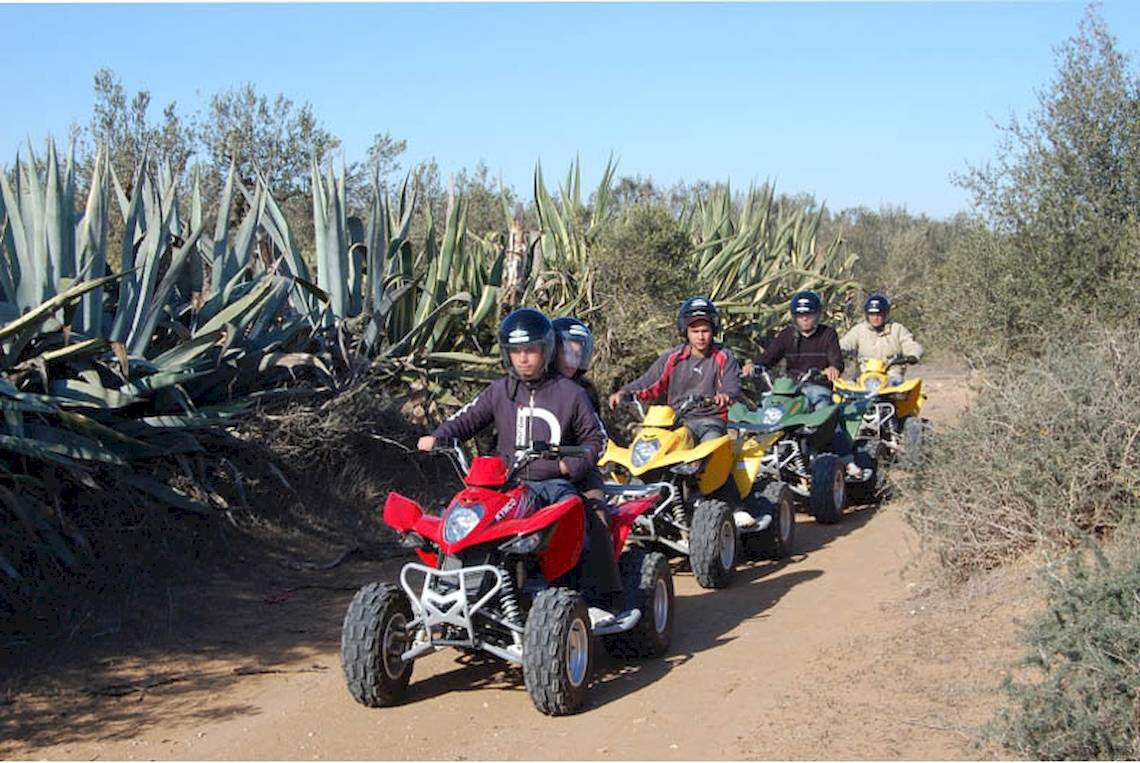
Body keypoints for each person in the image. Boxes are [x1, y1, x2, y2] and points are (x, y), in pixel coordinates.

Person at [417, 308, 622, 599]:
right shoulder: (500, 391)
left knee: (589, 518)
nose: (523, 358)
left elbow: (596, 439)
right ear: (507, 354)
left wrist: (567, 466)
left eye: (531, 350)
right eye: (516, 351)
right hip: (506, 485)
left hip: (553, 485)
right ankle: (455, 590)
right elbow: (467, 419)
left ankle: (604, 596)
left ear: (546, 350)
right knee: (460, 520)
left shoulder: (571, 393)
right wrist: (438, 438)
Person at [607, 296, 742, 443]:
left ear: (713, 330)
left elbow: (731, 384)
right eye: (695, 331)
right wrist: (624, 393)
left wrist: (725, 395)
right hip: (676, 421)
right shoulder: (673, 358)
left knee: (711, 447)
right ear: (686, 332)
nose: (701, 337)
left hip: (710, 422)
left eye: (705, 331)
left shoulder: (723, 357)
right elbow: (649, 382)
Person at [743, 290, 843, 412]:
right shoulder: (787, 334)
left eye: (809, 314)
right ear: (794, 317)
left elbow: (836, 361)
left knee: (823, 411)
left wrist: (833, 368)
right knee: (765, 409)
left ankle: (826, 431)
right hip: (791, 389)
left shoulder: (828, 334)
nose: (805, 318)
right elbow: (770, 356)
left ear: (817, 315)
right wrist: (754, 365)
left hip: (818, 387)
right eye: (800, 315)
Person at [840, 293, 924, 382]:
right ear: (867, 315)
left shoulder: (897, 329)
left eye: (879, 314)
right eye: (872, 314)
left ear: (886, 314)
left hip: (891, 377)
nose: (875, 318)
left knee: (905, 390)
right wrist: (840, 351)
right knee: (842, 392)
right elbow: (845, 343)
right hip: (864, 376)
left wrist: (913, 355)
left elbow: (911, 344)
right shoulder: (859, 330)